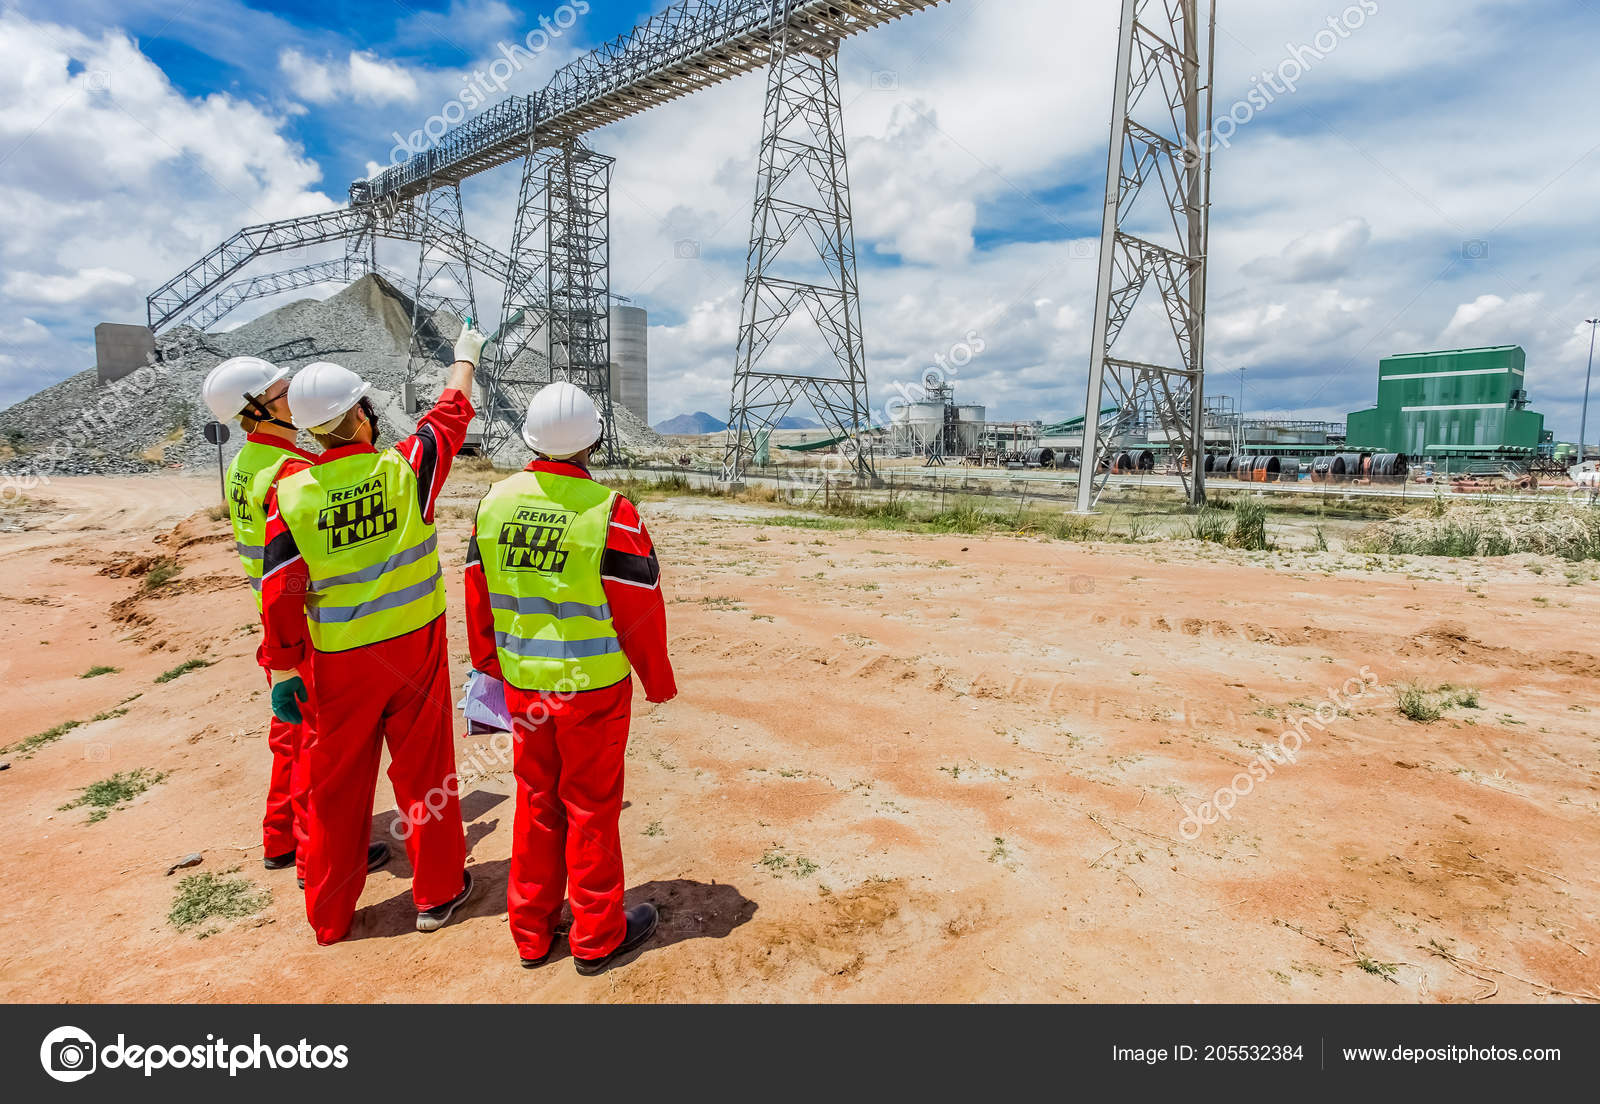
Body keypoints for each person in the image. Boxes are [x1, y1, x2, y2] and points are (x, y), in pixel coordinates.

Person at [259, 323, 487, 944]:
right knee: (426, 773)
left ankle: (330, 916)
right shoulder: (405, 468)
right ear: (359, 415)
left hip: (338, 664)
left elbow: (280, 589)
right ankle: (437, 893)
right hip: (414, 650)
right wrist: (465, 355)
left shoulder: (292, 494)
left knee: (337, 788)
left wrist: (284, 668)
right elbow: (449, 413)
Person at [463, 381, 676, 975]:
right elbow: (638, 609)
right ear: (594, 440)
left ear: (531, 436)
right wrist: (656, 679)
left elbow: (477, 593)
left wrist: (488, 666)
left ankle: (531, 931)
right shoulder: (611, 512)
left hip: (525, 687)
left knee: (536, 802)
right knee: (591, 808)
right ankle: (596, 934)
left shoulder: (494, 503)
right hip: (593, 691)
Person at [199, 357, 390, 885]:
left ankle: (280, 837)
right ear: (255, 410)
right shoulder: (290, 473)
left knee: (290, 733)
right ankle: (314, 856)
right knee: (314, 743)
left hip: (273, 621)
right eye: (280, 392)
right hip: (302, 626)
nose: (291, 396)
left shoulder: (247, 463)